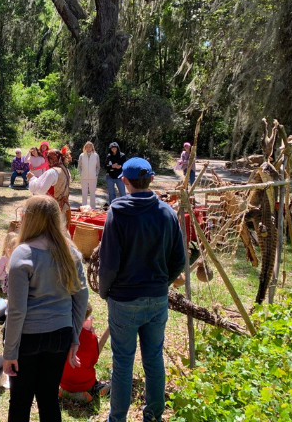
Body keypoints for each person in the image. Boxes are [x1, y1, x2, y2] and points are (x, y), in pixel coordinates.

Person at [98, 157, 186, 422]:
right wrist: (162, 284)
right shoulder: (167, 213)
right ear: (151, 180)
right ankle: (153, 417)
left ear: (124, 181)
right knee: (154, 359)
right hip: (157, 299)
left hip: (124, 300)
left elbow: (108, 263)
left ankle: (117, 419)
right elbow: (179, 260)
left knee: (123, 364)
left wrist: (104, 292)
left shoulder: (117, 212)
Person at [3, 195, 89, 422]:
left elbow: (16, 310)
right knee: (49, 399)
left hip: (28, 338)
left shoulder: (22, 254)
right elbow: (81, 297)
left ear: (29, 219)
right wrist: (74, 336)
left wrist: (9, 351)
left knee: (20, 401)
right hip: (60, 335)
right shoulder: (71, 252)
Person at [59, 302, 111, 403]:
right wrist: (92, 334)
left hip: (63, 382)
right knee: (103, 383)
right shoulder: (91, 337)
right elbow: (93, 360)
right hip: (86, 384)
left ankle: (65, 392)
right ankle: (95, 389)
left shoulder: (60, 334)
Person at [28, 149, 72, 231]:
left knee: (50, 233)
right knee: (60, 232)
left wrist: (31, 178)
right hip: (63, 207)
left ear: (51, 159)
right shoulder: (66, 170)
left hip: (51, 209)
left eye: (48, 159)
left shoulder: (52, 172)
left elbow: (39, 190)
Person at [78, 141, 101, 209]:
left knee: (92, 194)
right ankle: (84, 208)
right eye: (87, 147)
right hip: (84, 177)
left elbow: (98, 166)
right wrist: (81, 173)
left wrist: (96, 174)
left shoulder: (96, 155)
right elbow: (79, 166)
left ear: (92, 147)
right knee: (84, 194)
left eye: (90, 147)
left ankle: (93, 208)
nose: (88, 148)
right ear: (85, 148)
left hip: (93, 177)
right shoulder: (82, 155)